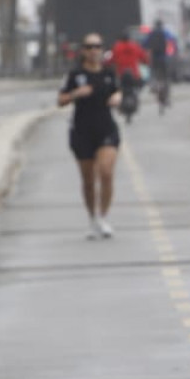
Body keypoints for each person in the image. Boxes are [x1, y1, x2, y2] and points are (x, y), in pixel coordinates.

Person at [60, 34, 123, 238]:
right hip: (82, 131)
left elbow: (117, 91)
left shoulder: (108, 73)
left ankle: (103, 217)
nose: (94, 50)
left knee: (105, 171)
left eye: (97, 46)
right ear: (83, 51)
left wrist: (116, 97)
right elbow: (61, 100)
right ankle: (92, 217)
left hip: (106, 129)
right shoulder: (75, 75)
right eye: (89, 47)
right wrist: (76, 94)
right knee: (88, 180)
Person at [110, 27, 149, 120]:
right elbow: (143, 57)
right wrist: (145, 62)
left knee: (117, 89)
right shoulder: (134, 46)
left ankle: (121, 106)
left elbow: (112, 59)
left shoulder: (117, 47)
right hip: (134, 74)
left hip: (121, 74)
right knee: (139, 86)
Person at [144, 19, 176, 109]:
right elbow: (173, 41)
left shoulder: (151, 33)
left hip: (154, 59)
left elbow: (145, 44)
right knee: (166, 78)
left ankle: (153, 87)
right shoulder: (165, 32)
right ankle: (167, 97)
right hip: (164, 59)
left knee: (153, 74)